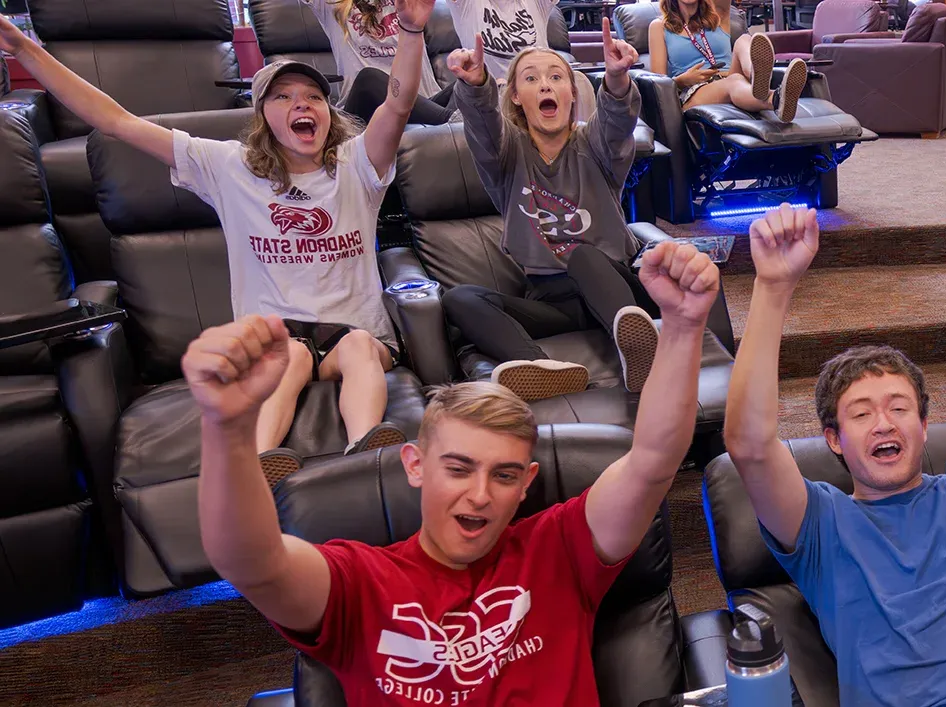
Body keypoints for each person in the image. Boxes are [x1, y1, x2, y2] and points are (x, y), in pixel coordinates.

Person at [183, 239, 723, 705]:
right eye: (459, 468)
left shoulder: (558, 549)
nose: (481, 494)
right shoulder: (358, 582)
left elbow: (654, 461)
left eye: (505, 476)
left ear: (527, 483)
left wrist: (682, 324)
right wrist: (227, 426)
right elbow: (249, 560)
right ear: (415, 466)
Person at [0, 1, 441, 483]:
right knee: (288, 355)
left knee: (358, 347)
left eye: (313, 96)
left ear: (327, 112)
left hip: (354, 330)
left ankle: (367, 449)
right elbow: (116, 122)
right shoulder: (230, 167)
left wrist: (412, 31)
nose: (301, 105)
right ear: (262, 118)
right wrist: (24, 48)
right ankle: (257, 462)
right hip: (276, 335)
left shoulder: (359, 164)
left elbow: (398, 103)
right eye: (283, 98)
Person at [719, 155, 946, 704]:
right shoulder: (820, 527)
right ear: (833, 439)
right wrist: (772, 288)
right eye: (861, 413)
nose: (883, 422)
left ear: (925, 426)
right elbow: (749, 445)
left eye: (899, 408)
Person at [440, 25, 666, 401]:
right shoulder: (506, 157)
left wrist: (616, 77)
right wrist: (476, 83)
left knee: (582, 256)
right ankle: (544, 368)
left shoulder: (595, 146)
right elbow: (483, 128)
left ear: (572, 94)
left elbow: (616, 123)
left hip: (612, 284)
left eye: (555, 77)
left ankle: (638, 348)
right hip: (553, 299)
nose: (545, 85)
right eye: (531, 79)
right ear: (515, 97)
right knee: (459, 298)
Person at [289, 0, 456, 124]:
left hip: (426, 103)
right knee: (369, 79)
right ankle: (451, 122)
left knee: (469, 83)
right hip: (364, 116)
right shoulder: (330, 4)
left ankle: (452, 122)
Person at [648, 0, 810, 123]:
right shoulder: (659, 27)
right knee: (734, 81)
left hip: (729, 75)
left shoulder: (718, 15)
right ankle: (775, 99)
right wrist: (683, 80)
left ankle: (757, 76)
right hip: (693, 91)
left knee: (744, 40)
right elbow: (657, 83)